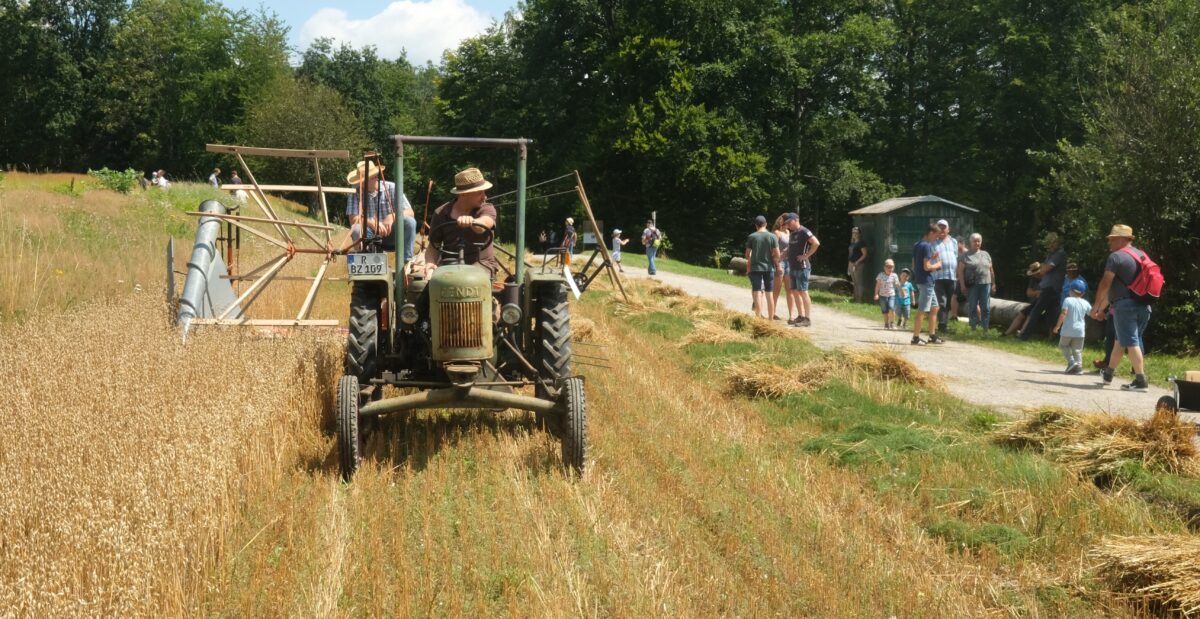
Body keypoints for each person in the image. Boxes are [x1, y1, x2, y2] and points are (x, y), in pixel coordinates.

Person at [1090, 224, 1152, 391]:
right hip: (1144, 306)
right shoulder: (1142, 255)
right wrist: (1102, 308)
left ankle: (1140, 380)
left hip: (1125, 307)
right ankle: (1108, 374)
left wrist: (1096, 306)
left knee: (1131, 341)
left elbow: (1106, 284)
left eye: (1112, 239)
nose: (1109, 242)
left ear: (1122, 239)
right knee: (1121, 340)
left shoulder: (1116, 257)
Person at [422, 167, 499, 279]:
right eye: (480, 193)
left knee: (470, 279)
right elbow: (434, 246)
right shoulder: (441, 213)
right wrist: (430, 263)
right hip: (449, 265)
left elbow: (484, 224)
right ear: (464, 194)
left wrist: (472, 221)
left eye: (484, 192)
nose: (485, 196)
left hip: (483, 265)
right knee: (425, 285)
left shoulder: (487, 209)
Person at [342, 159, 418, 263]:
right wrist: (371, 222)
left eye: (367, 179)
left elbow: (410, 212)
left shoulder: (392, 187)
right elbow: (353, 219)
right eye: (361, 181)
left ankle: (406, 262)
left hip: (393, 235)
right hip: (369, 235)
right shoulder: (355, 192)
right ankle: (367, 263)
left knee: (410, 222)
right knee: (356, 229)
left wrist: (392, 216)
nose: (361, 184)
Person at [1019, 232, 1067, 340]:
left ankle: (1024, 336)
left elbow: (1045, 269)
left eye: (1050, 244)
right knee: (1052, 314)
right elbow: (1041, 271)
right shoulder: (1051, 254)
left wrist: (1043, 266)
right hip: (1049, 287)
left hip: (1051, 288)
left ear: (1056, 243)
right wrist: (1042, 267)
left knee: (1035, 311)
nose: (1048, 247)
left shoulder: (1059, 254)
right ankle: (1054, 337)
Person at [910, 223, 944, 345]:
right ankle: (915, 337)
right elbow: (927, 267)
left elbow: (914, 264)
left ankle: (932, 335)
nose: (937, 238)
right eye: (936, 236)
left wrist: (931, 257)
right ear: (930, 233)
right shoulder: (927, 246)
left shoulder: (917, 245)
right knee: (922, 309)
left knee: (935, 308)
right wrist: (938, 265)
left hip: (922, 280)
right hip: (926, 282)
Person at [783, 212, 819, 327]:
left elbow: (816, 243)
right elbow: (790, 248)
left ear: (795, 220)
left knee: (803, 291)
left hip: (802, 267)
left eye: (789, 222)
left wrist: (806, 256)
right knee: (794, 291)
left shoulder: (804, 231)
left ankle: (807, 319)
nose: (788, 225)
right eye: (787, 223)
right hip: (792, 266)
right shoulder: (793, 234)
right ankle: (800, 316)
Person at [957, 233, 996, 333]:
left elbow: (991, 270)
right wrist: (962, 285)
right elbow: (960, 271)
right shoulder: (965, 255)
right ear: (970, 242)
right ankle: (973, 328)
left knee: (986, 307)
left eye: (979, 241)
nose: (977, 243)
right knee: (973, 306)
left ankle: (985, 329)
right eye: (975, 241)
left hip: (986, 284)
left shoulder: (986, 254)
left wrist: (993, 283)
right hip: (972, 285)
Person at [745, 215, 781, 319]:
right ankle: (770, 320)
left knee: (757, 292)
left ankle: (758, 317)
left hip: (756, 268)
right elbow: (777, 254)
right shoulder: (772, 236)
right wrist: (771, 258)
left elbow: (747, 255)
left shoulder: (752, 236)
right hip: (769, 268)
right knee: (769, 293)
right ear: (766, 224)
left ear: (756, 225)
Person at [1054, 279, 1092, 375]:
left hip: (1068, 329)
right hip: (1080, 331)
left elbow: (1064, 313)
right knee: (1077, 350)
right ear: (1082, 293)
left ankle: (1071, 362)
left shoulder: (1067, 300)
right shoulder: (1085, 303)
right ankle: (1078, 368)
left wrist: (1057, 326)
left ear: (1070, 290)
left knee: (1063, 345)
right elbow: (1092, 314)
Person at [932, 219, 959, 333]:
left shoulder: (954, 242)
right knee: (941, 302)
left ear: (948, 229)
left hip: (952, 276)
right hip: (938, 276)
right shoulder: (933, 242)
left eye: (944, 227)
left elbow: (956, 256)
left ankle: (944, 324)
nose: (942, 229)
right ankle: (942, 325)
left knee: (949, 302)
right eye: (940, 227)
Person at [1004, 262, 1043, 337]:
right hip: (1035, 301)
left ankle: (1021, 334)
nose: (1035, 275)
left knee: (1030, 315)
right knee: (1021, 314)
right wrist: (1037, 292)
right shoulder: (1033, 279)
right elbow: (1028, 293)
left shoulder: (1047, 279)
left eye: (1036, 273)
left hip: (1041, 302)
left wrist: (1035, 293)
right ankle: (1007, 333)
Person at [771, 215, 794, 321]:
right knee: (777, 290)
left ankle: (792, 316)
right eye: (788, 222)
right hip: (779, 263)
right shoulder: (776, 233)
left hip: (788, 263)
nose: (790, 224)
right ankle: (772, 313)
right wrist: (777, 265)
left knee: (790, 290)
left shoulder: (788, 232)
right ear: (783, 222)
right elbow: (773, 251)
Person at [874, 258, 899, 329]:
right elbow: (878, 285)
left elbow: (897, 284)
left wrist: (900, 290)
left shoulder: (894, 275)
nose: (889, 268)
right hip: (882, 295)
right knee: (884, 310)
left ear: (893, 268)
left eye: (891, 267)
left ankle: (892, 323)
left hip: (891, 295)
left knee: (891, 307)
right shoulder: (880, 275)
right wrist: (876, 294)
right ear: (884, 267)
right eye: (888, 266)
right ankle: (886, 324)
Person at [848, 227, 869, 303]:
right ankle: (855, 298)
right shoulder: (853, 242)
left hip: (858, 265)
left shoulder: (861, 243)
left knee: (859, 282)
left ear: (859, 234)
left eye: (856, 232)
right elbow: (850, 254)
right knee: (854, 282)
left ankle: (859, 300)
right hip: (851, 264)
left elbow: (865, 254)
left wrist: (857, 262)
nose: (854, 234)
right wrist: (849, 265)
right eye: (853, 232)